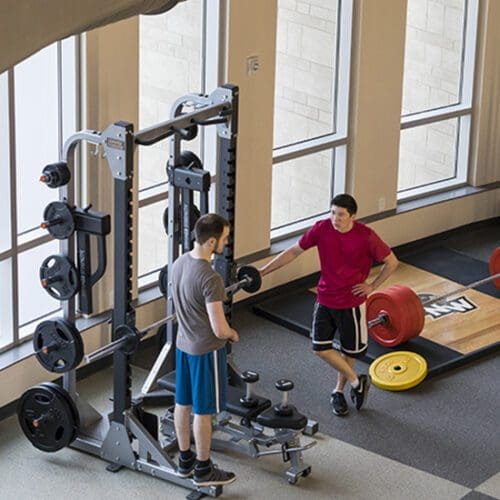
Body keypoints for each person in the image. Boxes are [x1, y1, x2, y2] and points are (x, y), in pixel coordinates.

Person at [260, 194, 398, 416]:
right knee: (320, 349)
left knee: (348, 351)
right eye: (333, 213)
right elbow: (294, 251)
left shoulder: (366, 236)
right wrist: (264, 270)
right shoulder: (321, 228)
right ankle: (356, 381)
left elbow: (392, 261)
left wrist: (373, 286)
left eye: (341, 215)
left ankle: (339, 391)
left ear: (353, 216)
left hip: (352, 303)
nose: (336, 218)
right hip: (325, 298)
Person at [171, 213, 239, 486]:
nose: (226, 242)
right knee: (203, 410)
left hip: (183, 345)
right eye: (224, 238)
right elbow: (219, 329)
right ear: (211, 242)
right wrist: (233, 334)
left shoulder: (178, 264)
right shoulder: (210, 278)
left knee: (182, 404)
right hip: (205, 351)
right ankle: (203, 469)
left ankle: (185, 460)